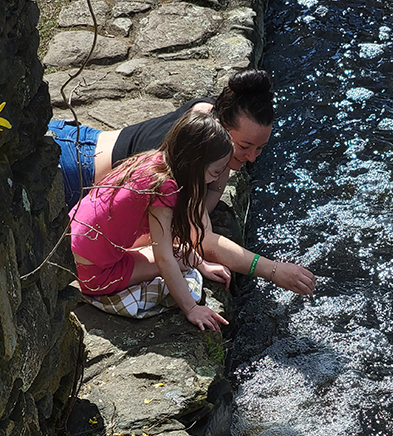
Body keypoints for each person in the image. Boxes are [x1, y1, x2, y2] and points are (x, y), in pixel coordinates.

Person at [50, 70, 316, 296]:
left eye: (260, 148)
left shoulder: (207, 114)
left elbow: (195, 218)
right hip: (71, 171)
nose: (252, 158)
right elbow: (202, 239)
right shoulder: (182, 165)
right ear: (220, 129)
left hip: (76, 137)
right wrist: (273, 270)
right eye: (245, 146)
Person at [70, 111, 234, 331]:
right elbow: (164, 257)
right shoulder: (165, 188)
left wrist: (200, 262)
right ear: (194, 164)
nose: (215, 179)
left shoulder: (153, 159)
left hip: (70, 246)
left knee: (183, 255)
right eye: (214, 171)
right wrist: (191, 308)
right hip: (92, 274)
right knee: (178, 260)